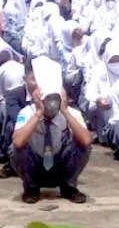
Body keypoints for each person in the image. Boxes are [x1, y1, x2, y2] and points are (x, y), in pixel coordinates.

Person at [10, 57, 92, 204]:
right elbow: (17, 142)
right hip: (36, 166)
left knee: (81, 145)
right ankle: (31, 187)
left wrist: (65, 112)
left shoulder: (71, 113)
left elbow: (86, 141)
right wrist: (39, 112)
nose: (51, 105)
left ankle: (69, 186)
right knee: (16, 148)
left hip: (60, 165)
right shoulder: (27, 112)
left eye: (54, 100)